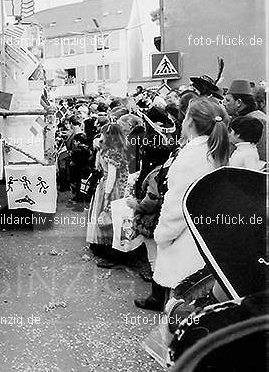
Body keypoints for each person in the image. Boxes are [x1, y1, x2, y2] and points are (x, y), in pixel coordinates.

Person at [144, 97, 230, 311]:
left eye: (185, 118)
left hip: (185, 240)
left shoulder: (193, 156)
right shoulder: (213, 149)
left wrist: (162, 235)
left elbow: (177, 207)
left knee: (179, 309)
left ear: (190, 122)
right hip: (205, 237)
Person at [85, 123, 130, 267]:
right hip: (120, 186)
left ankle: (109, 252)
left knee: (108, 218)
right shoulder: (120, 148)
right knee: (114, 219)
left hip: (111, 187)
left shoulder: (111, 152)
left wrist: (106, 196)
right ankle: (112, 250)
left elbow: (111, 176)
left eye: (104, 134)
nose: (101, 136)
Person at [223, 79, 267, 161]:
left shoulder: (258, 120)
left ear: (239, 102)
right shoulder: (240, 117)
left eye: (228, 100)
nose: (224, 103)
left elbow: (263, 154)